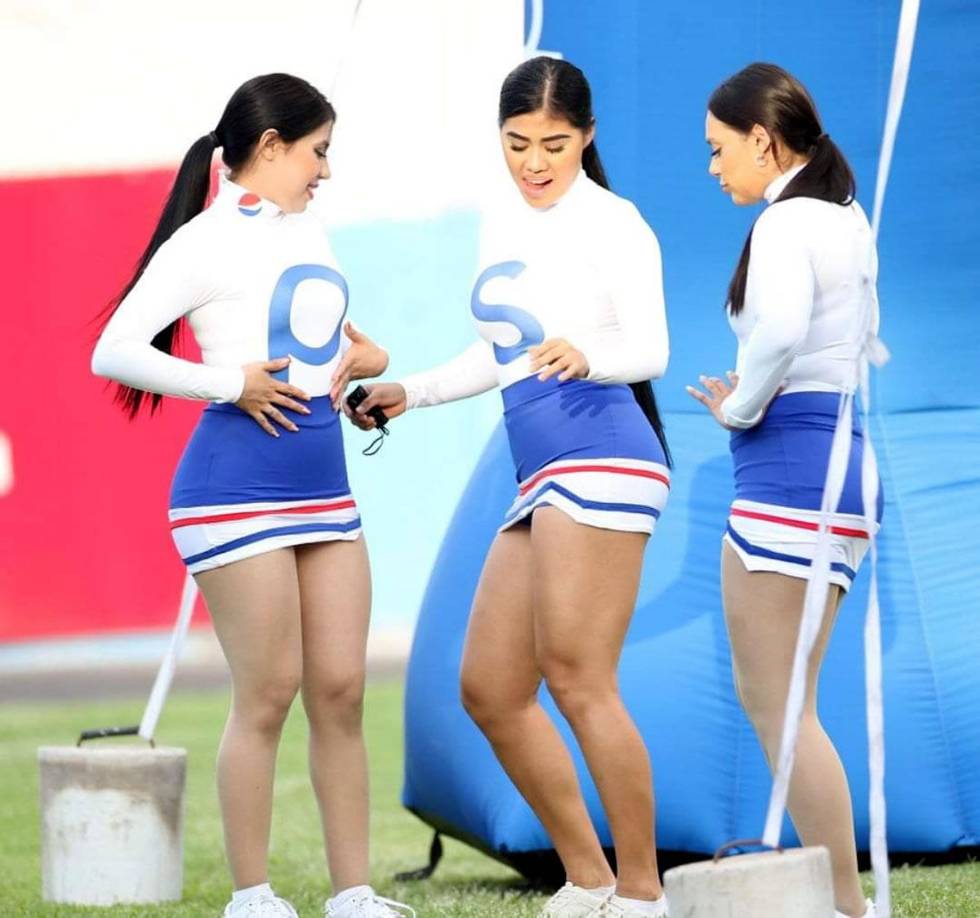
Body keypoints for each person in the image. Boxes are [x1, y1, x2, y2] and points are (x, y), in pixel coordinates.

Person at [350, 57, 671, 918]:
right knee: (491, 688)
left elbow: (651, 348)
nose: (535, 161)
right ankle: (589, 879)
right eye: (518, 143)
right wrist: (407, 392)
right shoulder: (505, 222)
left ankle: (642, 893)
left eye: (555, 145)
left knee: (579, 679)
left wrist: (587, 353)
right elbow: (493, 355)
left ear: (588, 137)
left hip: (603, 457)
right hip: (543, 472)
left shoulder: (615, 222)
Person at [92, 73, 413, 918]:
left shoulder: (312, 229)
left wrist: (366, 364)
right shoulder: (201, 241)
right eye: (319, 152)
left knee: (340, 690)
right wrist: (225, 382)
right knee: (268, 692)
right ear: (270, 148)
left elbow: (315, 352)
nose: (326, 171)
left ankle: (354, 895)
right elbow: (115, 349)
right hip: (232, 491)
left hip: (324, 483)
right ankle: (254, 897)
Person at [687, 62, 883, 918]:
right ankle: (844, 899)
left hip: (791, 466)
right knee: (789, 704)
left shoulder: (787, 220)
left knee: (778, 706)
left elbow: (783, 329)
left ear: (763, 141)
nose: (713, 167)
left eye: (719, 149)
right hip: (842, 465)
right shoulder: (846, 214)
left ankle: (844, 905)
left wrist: (740, 407)